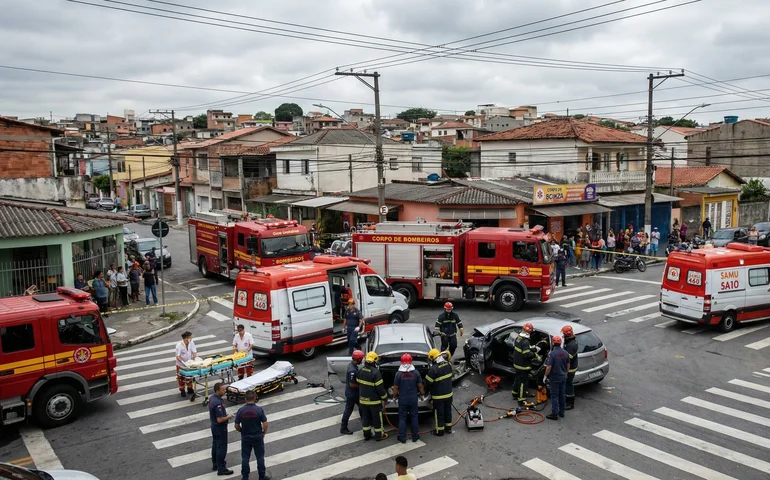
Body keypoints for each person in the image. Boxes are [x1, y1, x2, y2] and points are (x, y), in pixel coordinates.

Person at [234, 391, 270, 480]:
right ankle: (262, 476)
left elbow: (236, 425)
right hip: (257, 436)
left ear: (245, 399)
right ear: (254, 398)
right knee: (260, 457)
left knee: (245, 458)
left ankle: (245, 477)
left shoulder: (241, 410)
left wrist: (242, 431)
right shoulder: (259, 410)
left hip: (246, 437)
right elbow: (265, 424)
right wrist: (263, 433)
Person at [356, 351, 388, 441]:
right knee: (377, 419)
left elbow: (357, 382)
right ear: (374, 361)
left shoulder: (361, 370)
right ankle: (379, 435)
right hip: (374, 402)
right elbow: (380, 388)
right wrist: (385, 397)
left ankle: (366, 435)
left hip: (363, 401)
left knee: (366, 418)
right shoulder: (376, 372)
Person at [393, 353, 424, 444]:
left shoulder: (398, 374)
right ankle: (415, 437)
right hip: (413, 399)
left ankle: (402, 438)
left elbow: (395, 388)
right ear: (411, 361)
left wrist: (394, 397)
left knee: (402, 418)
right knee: (414, 417)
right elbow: (420, 386)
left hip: (403, 399)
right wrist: (422, 395)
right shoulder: (416, 373)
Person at [425, 348, 453, 436]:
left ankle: (439, 431)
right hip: (449, 394)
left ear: (433, 358)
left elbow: (427, 383)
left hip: (438, 397)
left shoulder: (433, 369)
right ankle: (448, 428)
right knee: (448, 411)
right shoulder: (448, 365)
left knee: (439, 413)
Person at [210, 382, 234, 476]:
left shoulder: (212, 398)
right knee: (221, 447)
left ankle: (215, 464)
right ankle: (221, 468)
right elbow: (220, 419)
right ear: (217, 390)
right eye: (223, 390)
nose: (225, 391)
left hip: (214, 426)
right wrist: (228, 416)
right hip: (220, 428)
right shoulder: (217, 403)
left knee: (215, 445)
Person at [544, 335, 570, 421]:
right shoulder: (565, 353)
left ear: (553, 343)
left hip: (555, 378)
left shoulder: (553, 354)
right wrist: (565, 373)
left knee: (554, 395)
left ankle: (554, 414)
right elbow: (568, 364)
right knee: (562, 394)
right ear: (560, 343)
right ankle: (562, 412)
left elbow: (549, 366)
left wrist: (545, 376)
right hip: (563, 377)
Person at [511, 322, 538, 406]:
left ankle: (515, 393)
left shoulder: (518, 338)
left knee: (517, 379)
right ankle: (521, 399)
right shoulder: (525, 341)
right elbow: (527, 354)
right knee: (523, 383)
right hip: (523, 366)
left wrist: (533, 348)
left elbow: (523, 348)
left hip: (517, 364)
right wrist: (535, 355)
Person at [340, 350, 364, 435]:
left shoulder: (352, 366)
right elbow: (352, 384)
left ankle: (364, 421)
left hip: (353, 393)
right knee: (349, 410)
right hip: (353, 394)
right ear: (358, 359)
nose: (362, 360)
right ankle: (343, 427)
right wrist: (362, 386)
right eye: (361, 359)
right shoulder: (352, 370)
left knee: (362, 407)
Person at [561, 325, 578, 410]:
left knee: (569, 384)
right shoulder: (572, 341)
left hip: (570, 369)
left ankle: (570, 403)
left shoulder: (571, 345)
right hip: (571, 366)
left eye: (564, 334)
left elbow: (568, 360)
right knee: (567, 384)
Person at [175, 331, 198, 397]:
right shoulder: (179, 345)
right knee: (181, 377)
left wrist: (195, 357)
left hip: (189, 363)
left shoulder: (191, 343)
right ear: (186, 338)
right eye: (190, 337)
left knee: (189, 376)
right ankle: (182, 390)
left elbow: (194, 351)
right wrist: (183, 363)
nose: (191, 338)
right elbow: (178, 356)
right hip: (181, 364)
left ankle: (190, 388)